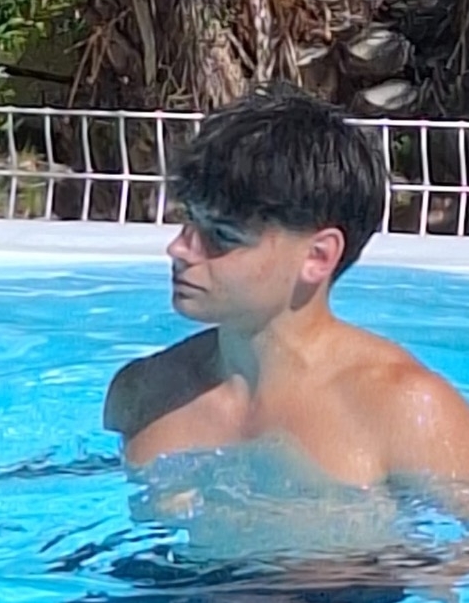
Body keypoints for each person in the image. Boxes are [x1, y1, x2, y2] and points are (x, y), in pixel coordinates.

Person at [103, 82, 469, 486]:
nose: (179, 249)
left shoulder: (406, 412)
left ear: (318, 256)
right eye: (187, 221)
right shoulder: (142, 394)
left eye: (222, 235)